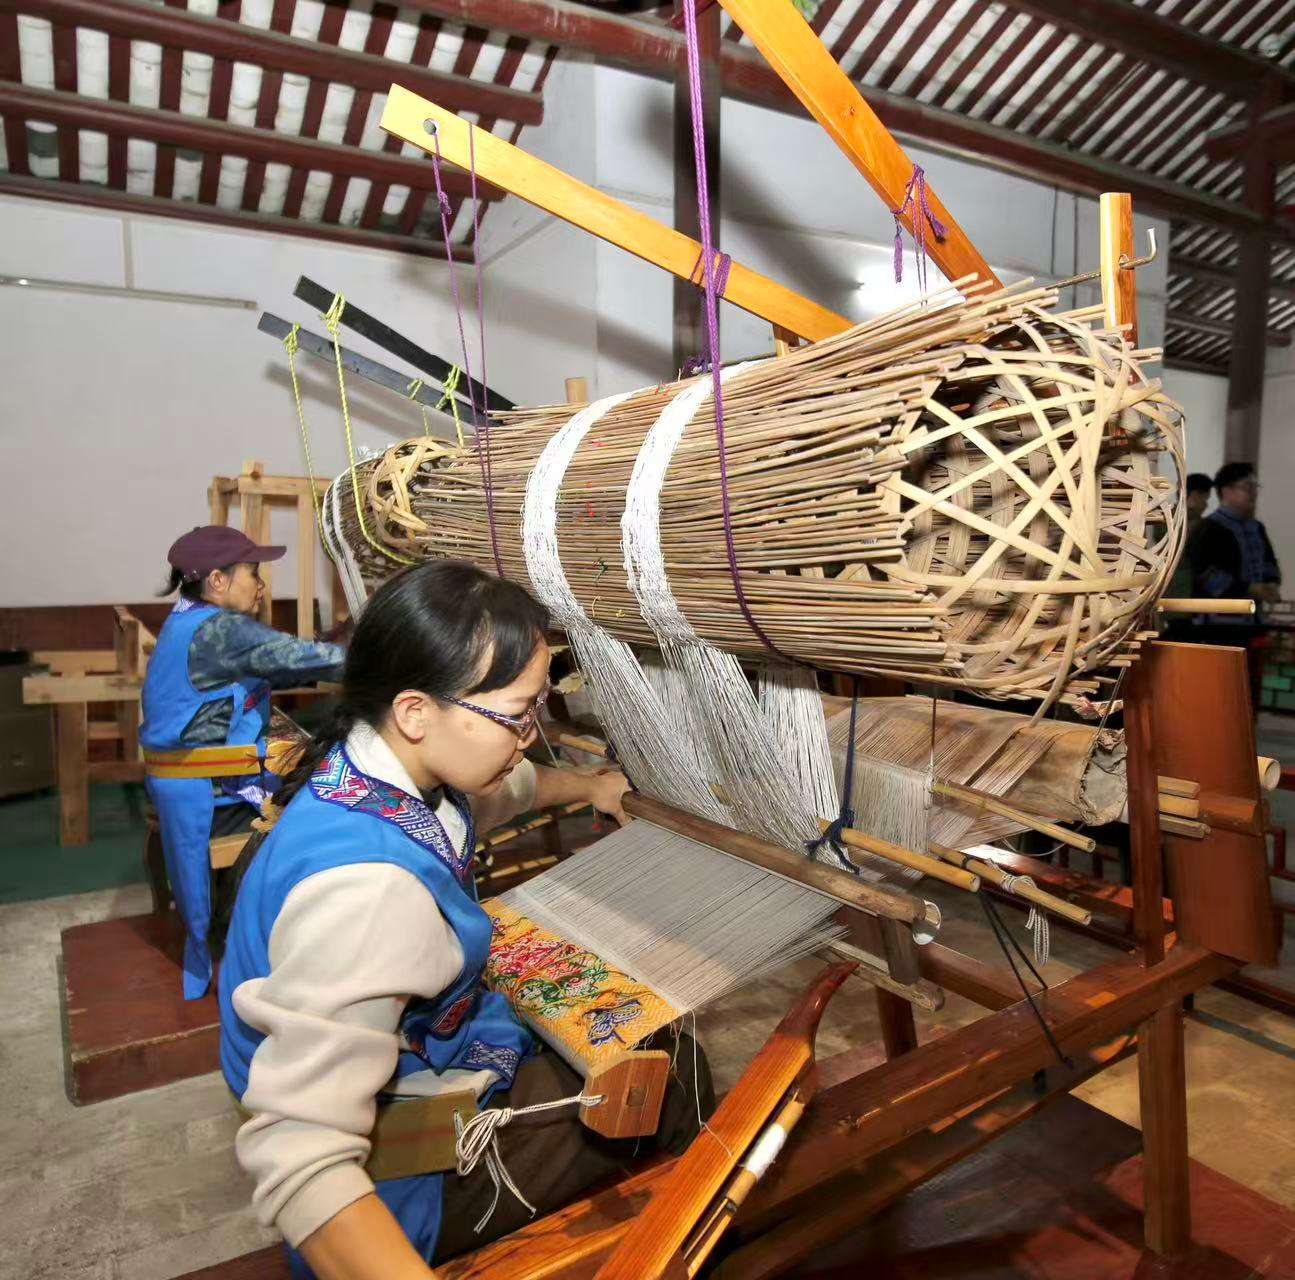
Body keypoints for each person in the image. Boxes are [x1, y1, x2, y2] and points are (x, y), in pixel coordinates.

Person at [217, 560, 710, 1279]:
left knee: (631, 1040)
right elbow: (299, 1153)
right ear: (416, 711)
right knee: (675, 1076)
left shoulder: (381, 778)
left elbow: (513, 788)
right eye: (517, 714)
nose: (529, 735)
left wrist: (591, 787)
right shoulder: (369, 893)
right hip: (398, 1172)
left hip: (412, 1064)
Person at [141, 525, 347, 1000]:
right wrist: (387, 653)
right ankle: (299, 936)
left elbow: (276, 661)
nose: (261, 584)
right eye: (252, 572)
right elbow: (298, 657)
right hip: (209, 797)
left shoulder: (185, 621)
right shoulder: (220, 629)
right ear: (217, 580)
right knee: (337, 793)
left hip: (178, 781)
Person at [1190, 462, 1282, 618]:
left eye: (1255, 487)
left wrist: (1271, 584)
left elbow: (1269, 562)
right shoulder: (1207, 527)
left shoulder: (1257, 527)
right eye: (1248, 487)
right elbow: (1204, 574)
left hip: (1254, 618)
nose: (1254, 493)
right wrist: (1249, 589)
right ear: (1227, 491)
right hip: (1218, 621)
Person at [1166, 472, 1214, 602]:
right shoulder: (1171, 520)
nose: (1206, 505)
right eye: (1205, 499)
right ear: (1194, 496)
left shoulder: (1169, 516)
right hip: (1178, 592)